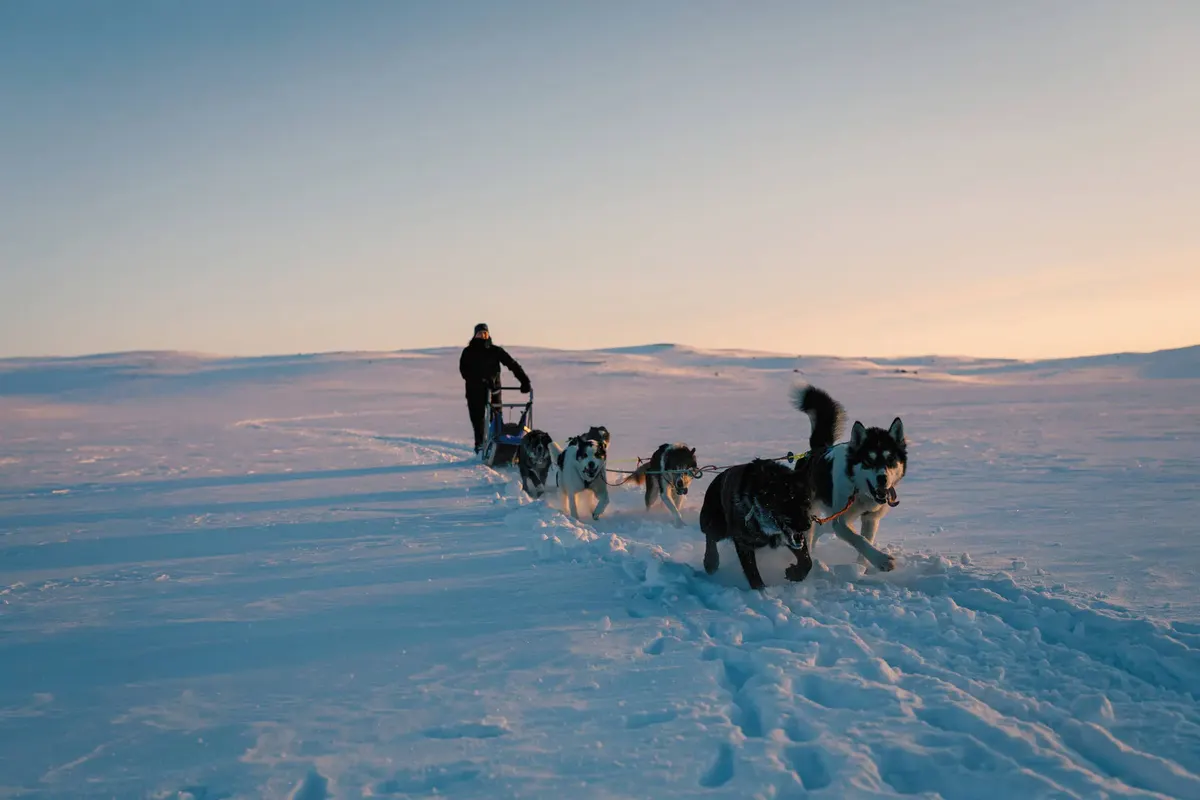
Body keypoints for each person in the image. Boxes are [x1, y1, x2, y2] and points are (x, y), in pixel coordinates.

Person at [459, 323, 531, 454]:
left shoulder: (495, 351)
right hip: (475, 390)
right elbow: (465, 371)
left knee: (496, 417)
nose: (483, 335)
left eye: (485, 333)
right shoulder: (468, 352)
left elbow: (512, 364)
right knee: (478, 419)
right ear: (475, 335)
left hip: (494, 389)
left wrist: (524, 380)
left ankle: (498, 444)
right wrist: (480, 380)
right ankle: (480, 445)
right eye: (480, 333)